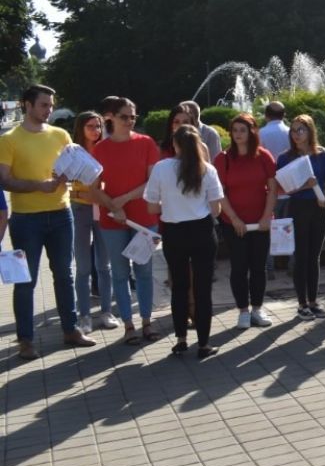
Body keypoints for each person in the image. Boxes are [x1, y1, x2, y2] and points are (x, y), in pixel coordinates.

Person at [0, 84, 95, 359]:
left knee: (64, 274)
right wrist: (38, 186)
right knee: (26, 280)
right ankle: (26, 340)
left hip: (62, 214)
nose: (49, 110)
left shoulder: (60, 135)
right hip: (26, 219)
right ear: (27, 105)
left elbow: (73, 167)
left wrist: (72, 175)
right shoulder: (9, 140)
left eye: (51, 105)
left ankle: (71, 329)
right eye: (44, 105)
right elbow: (4, 180)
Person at [144, 125, 224, 359]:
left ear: (175, 144)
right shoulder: (207, 169)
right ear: (198, 144)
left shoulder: (161, 168)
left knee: (178, 287)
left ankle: (180, 339)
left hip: (174, 232)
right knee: (202, 288)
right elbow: (216, 210)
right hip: (202, 231)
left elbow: (151, 207)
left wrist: (171, 204)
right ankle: (204, 343)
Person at [92, 97, 163, 346]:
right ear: (111, 117)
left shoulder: (146, 143)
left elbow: (152, 182)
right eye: (124, 116)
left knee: (144, 271)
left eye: (133, 116)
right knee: (120, 273)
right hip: (112, 219)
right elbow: (94, 188)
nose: (130, 121)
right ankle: (128, 325)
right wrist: (114, 207)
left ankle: (147, 321)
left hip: (143, 219)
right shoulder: (100, 149)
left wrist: (122, 199)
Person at [214, 113, 277, 329]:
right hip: (234, 223)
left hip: (260, 222)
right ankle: (242, 310)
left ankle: (257, 309)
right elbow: (220, 193)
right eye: (235, 130)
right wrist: (234, 219)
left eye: (243, 130)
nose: (238, 134)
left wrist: (266, 216)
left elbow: (272, 189)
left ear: (252, 132)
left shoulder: (264, 156)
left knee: (259, 267)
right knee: (239, 267)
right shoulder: (223, 158)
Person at [274, 114, 325, 319]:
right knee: (301, 256)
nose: (296, 134)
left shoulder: (321, 154)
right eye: (293, 130)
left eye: (301, 130)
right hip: (298, 208)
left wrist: (324, 194)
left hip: (318, 208)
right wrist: (304, 186)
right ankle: (302, 304)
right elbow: (282, 187)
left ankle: (314, 301)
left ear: (310, 131)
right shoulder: (285, 157)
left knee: (314, 257)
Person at [70, 111, 117, 333]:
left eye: (98, 126)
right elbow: (63, 186)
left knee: (104, 265)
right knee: (83, 267)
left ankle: (107, 312)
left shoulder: (106, 149)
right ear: (81, 128)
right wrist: (82, 195)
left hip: (102, 208)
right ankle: (84, 316)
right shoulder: (72, 152)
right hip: (80, 209)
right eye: (90, 126)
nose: (96, 131)